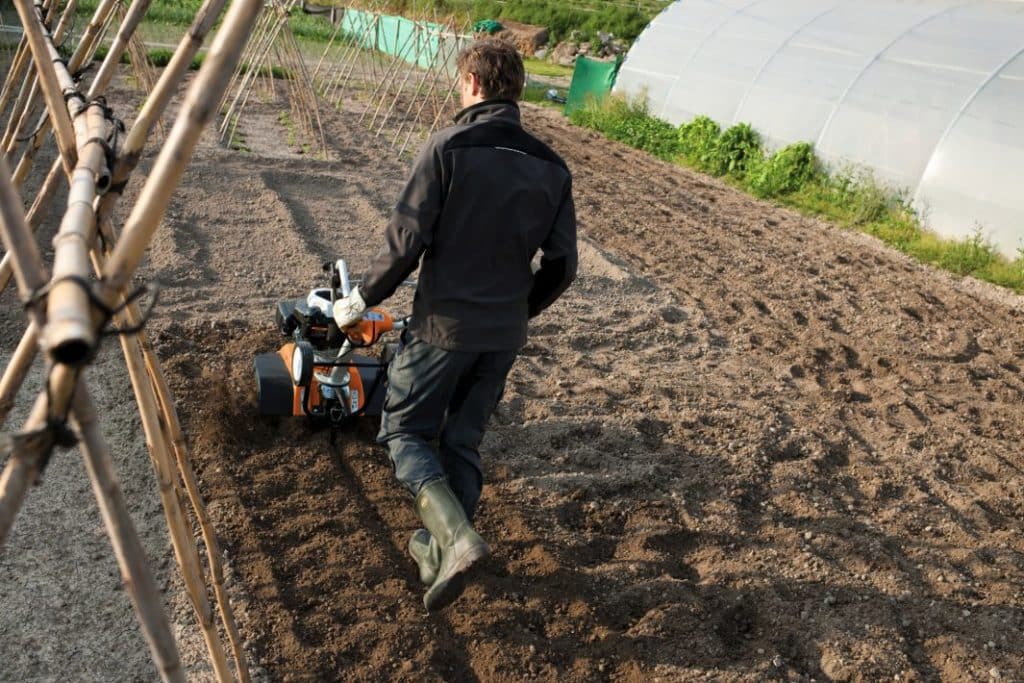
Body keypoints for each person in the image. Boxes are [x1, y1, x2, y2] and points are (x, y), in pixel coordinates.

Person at [333, 38, 578, 611]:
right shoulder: (552, 166)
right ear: (515, 89)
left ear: (471, 83)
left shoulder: (447, 146)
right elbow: (562, 265)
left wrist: (362, 299)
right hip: (503, 336)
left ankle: (454, 536)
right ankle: (439, 552)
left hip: (443, 327)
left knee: (405, 432)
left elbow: (406, 241)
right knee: (462, 440)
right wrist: (520, 308)